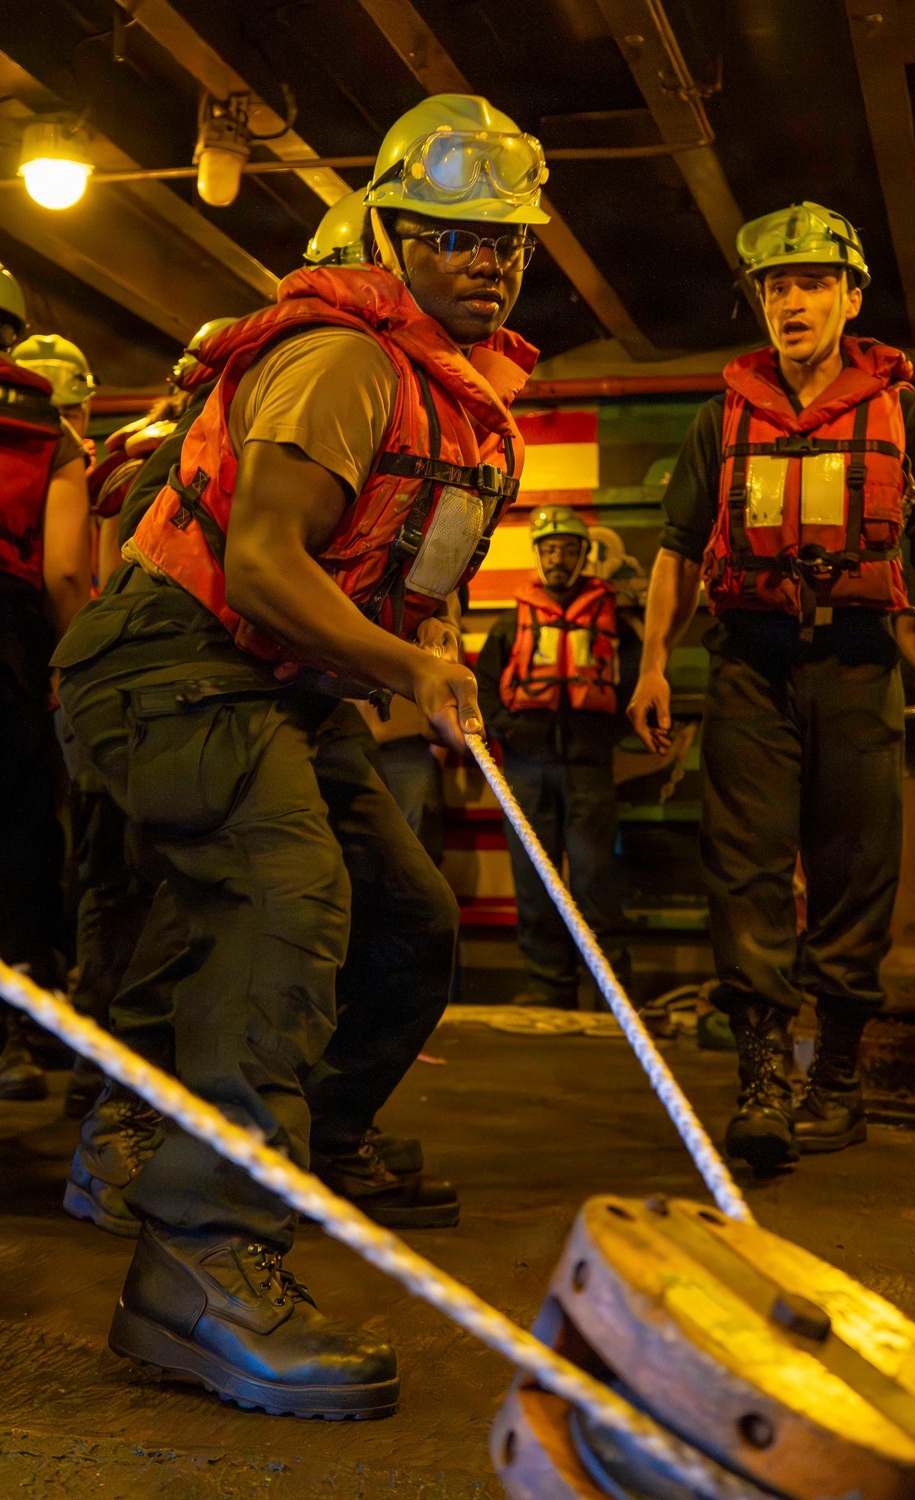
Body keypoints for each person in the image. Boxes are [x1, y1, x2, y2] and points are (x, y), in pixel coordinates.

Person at [52, 92, 544, 1419]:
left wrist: (419, 662)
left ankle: (271, 1163)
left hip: (285, 682)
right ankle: (203, 1265)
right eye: (448, 234)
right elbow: (264, 559)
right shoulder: (345, 362)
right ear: (391, 231)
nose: (482, 259)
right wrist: (406, 669)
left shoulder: (468, 406)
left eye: (502, 238)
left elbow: (382, 582)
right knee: (287, 899)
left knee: (405, 923)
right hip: (169, 657)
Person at [628, 202, 915, 1174]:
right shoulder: (721, 419)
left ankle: (835, 1078)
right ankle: (761, 1081)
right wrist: (655, 662)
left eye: (811, 282)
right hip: (749, 663)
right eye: (774, 286)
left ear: (850, 296)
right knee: (741, 868)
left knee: (854, 863)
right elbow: (673, 548)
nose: (791, 302)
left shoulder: (905, 416)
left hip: (858, 661)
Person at [476, 505, 639, 1007]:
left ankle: (609, 994)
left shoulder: (615, 624)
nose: (560, 559)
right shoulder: (510, 625)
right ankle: (548, 985)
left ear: (585, 556)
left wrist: (602, 738)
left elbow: (634, 687)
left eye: (570, 550)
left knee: (595, 881)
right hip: (526, 769)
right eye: (551, 550)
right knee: (534, 883)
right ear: (537, 555)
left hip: (589, 770)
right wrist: (509, 733)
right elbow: (484, 689)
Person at [0, 275, 91, 1100]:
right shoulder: (46, 426)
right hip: (8, 649)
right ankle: (22, 1031)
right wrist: (73, 667)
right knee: (22, 836)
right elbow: (65, 568)